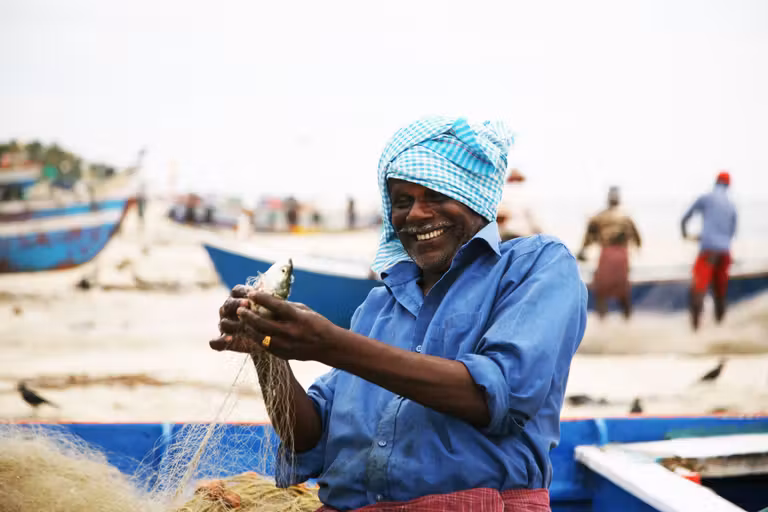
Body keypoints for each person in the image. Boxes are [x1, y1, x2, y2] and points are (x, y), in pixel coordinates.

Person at [211, 116, 587, 511]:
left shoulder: (534, 265)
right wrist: (266, 349)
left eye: (437, 196)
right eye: (402, 202)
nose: (416, 215)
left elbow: (494, 396)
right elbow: (308, 436)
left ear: (474, 195)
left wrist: (329, 343)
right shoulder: (377, 306)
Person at [681, 171, 737, 331]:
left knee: (698, 289)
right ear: (728, 185)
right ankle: (720, 329)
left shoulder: (706, 198)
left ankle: (695, 330)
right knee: (720, 292)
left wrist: (685, 234)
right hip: (725, 253)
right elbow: (732, 232)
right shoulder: (731, 205)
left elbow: (685, 217)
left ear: (716, 182)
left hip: (708, 251)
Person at [577, 186, 642, 319]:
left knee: (601, 290)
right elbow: (637, 240)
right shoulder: (626, 217)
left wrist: (582, 252)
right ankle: (627, 320)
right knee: (622, 289)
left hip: (607, 254)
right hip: (621, 255)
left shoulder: (599, 217)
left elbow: (588, 238)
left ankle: (603, 320)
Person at [496, 168, 542, 241]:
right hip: (523, 235)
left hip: (504, 234)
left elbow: (499, 215)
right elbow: (535, 220)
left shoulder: (502, 193)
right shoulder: (527, 194)